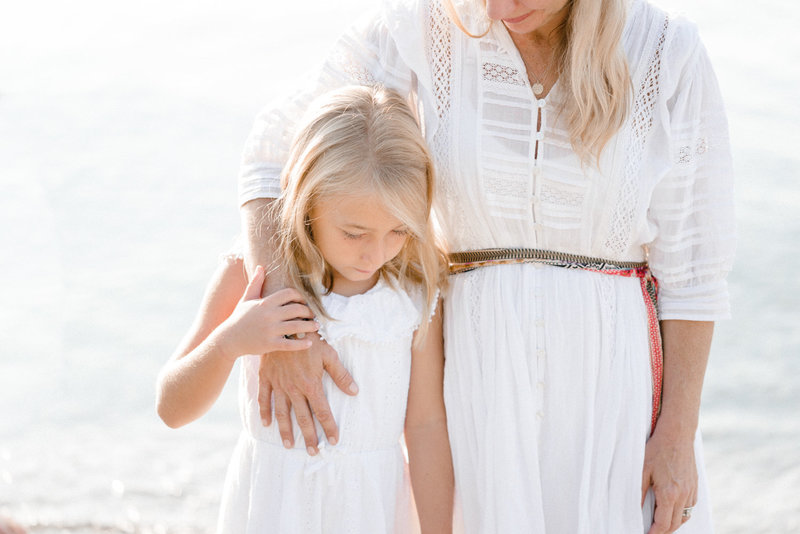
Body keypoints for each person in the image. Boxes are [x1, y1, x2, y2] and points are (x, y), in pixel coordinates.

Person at [238, 0, 736, 532]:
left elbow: (693, 275)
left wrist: (677, 434)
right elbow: (273, 152)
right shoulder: (416, 28)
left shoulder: (667, 50)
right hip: (476, 389)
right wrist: (287, 323)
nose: (495, 10)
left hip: (615, 395)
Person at [157, 86, 454, 533]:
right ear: (307, 201)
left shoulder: (412, 296)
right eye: (354, 233)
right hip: (271, 510)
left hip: (368, 513)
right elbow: (171, 408)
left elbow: (426, 424)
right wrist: (230, 343)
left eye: (397, 231)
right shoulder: (252, 276)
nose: (375, 253)